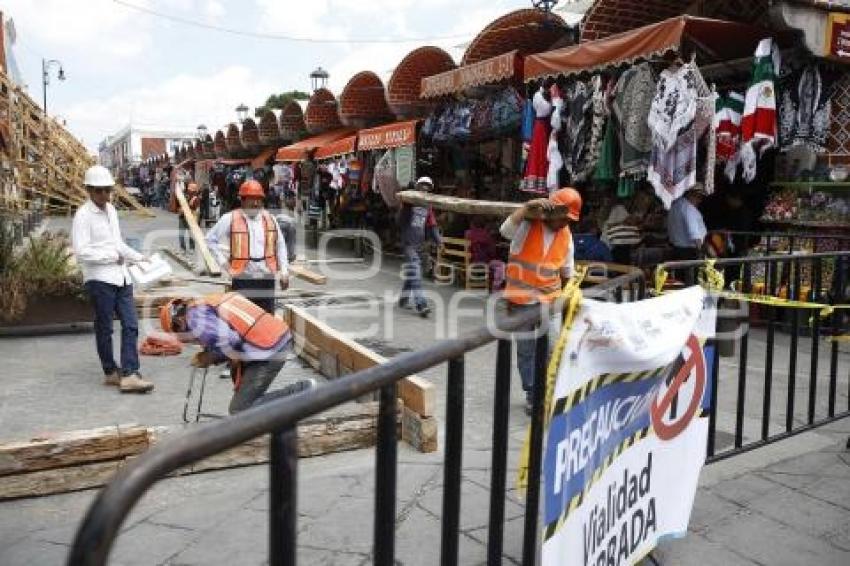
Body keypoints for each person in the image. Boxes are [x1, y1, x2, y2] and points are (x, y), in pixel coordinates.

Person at [71, 165, 155, 393]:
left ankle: (129, 373)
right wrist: (111, 257)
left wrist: (139, 258)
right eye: (99, 191)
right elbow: (81, 252)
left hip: (121, 277)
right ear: (89, 190)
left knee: (130, 324)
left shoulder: (111, 211)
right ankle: (110, 371)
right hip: (99, 279)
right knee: (105, 327)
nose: (104, 195)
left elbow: (118, 243)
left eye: (107, 190)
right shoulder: (83, 216)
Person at [160, 293, 315, 414]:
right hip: (273, 337)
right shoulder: (206, 302)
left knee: (240, 410)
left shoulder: (194, 318)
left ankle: (302, 390)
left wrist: (210, 357)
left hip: (269, 348)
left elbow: (231, 339)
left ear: (179, 322)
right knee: (238, 378)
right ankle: (256, 402)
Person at [501, 187, 581, 414]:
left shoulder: (566, 235)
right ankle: (532, 394)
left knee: (552, 347)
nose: (565, 223)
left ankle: (549, 390)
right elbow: (505, 231)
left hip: (551, 301)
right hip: (521, 300)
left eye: (569, 219)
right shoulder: (528, 224)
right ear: (551, 211)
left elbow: (567, 271)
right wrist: (526, 208)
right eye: (563, 218)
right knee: (526, 350)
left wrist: (565, 298)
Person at [206, 180, 289, 315]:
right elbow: (210, 240)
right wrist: (224, 264)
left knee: (266, 319)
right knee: (243, 319)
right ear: (242, 200)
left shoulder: (270, 219)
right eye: (251, 199)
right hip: (242, 279)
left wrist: (284, 272)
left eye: (259, 200)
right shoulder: (229, 218)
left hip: (266, 279)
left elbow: (280, 245)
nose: (255, 203)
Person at [398, 176, 442, 317]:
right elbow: (399, 221)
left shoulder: (428, 207)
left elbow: (433, 226)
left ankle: (403, 299)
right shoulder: (408, 204)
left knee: (414, 272)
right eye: (422, 185)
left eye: (427, 186)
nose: (425, 188)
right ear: (417, 187)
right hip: (408, 244)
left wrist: (439, 241)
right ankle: (421, 304)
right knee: (416, 271)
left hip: (420, 245)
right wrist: (407, 203)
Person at [667, 186, 708, 261]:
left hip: (675, 249)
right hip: (689, 252)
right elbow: (694, 234)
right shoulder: (689, 209)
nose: (700, 201)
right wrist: (702, 254)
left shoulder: (675, 205)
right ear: (690, 194)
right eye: (698, 197)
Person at [178, 182, 200, 253]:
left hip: (190, 219)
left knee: (191, 234)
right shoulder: (185, 196)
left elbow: (197, 210)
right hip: (182, 217)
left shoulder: (196, 199)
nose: (189, 191)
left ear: (194, 191)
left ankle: (192, 248)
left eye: (191, 190)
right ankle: (182, 248)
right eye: (189, 189)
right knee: (181, 234)